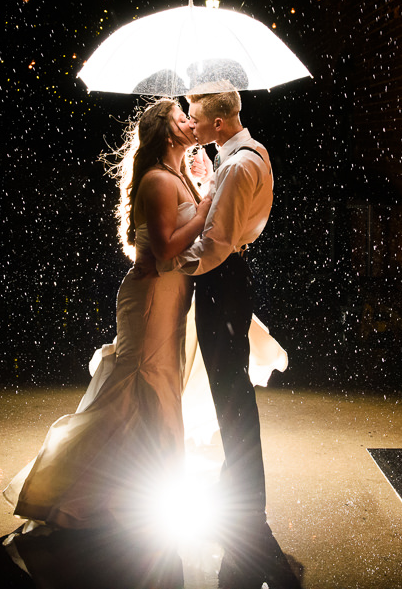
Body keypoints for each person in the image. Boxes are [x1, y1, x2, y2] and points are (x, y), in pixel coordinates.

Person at [3, 97, 210, 531]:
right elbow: (168, 247)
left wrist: (202, 189)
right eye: (180, 117)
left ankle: (138, 494)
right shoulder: (157, 180)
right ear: (166, 133)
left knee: (159, 389)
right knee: (140, 385)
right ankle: (75, 491)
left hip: (169, 294)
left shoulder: (179, 176)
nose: (190, 121)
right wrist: (207, 207)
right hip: (151, 298)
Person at [166, 86, 299, 589]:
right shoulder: (241, 157)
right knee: (231, 391)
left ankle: (246, 499)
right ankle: (239, 490)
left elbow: (217, 243)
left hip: (222, 282)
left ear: (218, 124)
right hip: (229, 280)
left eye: (197, 119)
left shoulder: (240, 165)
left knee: (233, 394)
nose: (192, 127)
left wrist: (170, 263)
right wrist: (207, 185)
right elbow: (224, 220)